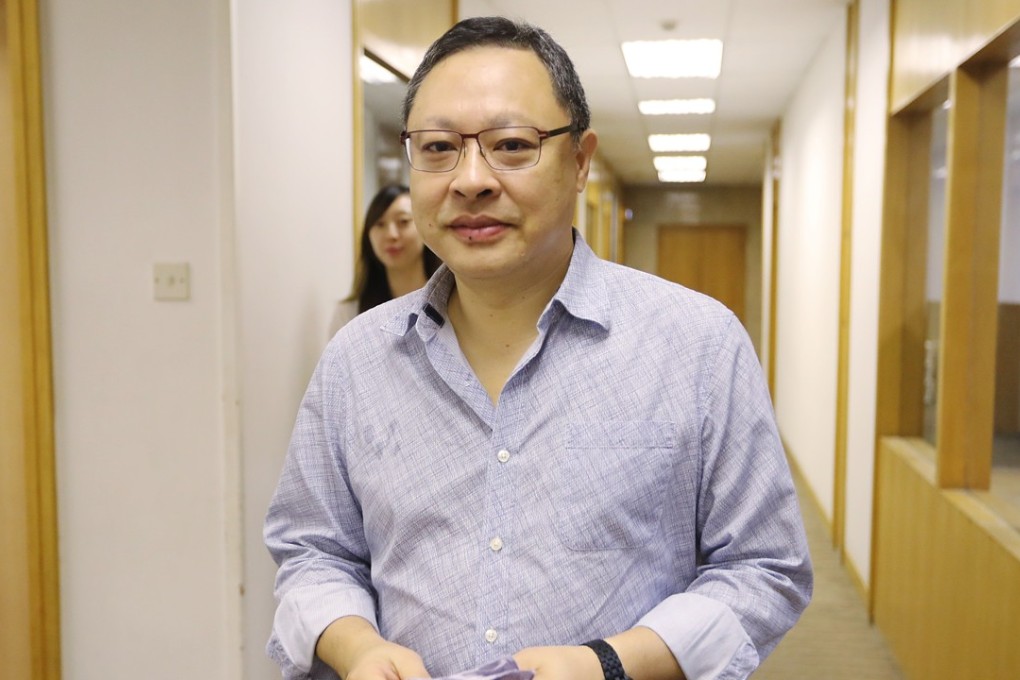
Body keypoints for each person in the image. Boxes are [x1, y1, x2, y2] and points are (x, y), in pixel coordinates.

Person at [265, 15, 812, 680]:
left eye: (512, 144)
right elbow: (314, 552)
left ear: (579, 161)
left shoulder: (696, 344)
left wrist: (609, 664)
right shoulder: (355, 360)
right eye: (438, 148)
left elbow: (763, 568)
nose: (470, 179)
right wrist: (358, 647)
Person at [329, 183, 442, 335]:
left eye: (403, 221)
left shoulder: (450, 302)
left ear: (424, 226)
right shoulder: (349, 313)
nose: (391, 234)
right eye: (380, 224)